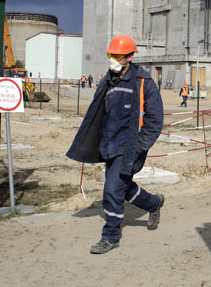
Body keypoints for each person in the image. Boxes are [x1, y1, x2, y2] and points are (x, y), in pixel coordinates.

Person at [66, 34, 165, 254]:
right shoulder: (108, 79)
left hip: (130, 147)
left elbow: (155, 118)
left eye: (118, 55)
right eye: (112, 55)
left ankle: (110, 235)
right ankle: (153, 203)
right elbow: (98, 111)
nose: (114, 59)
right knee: (122, 186)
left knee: (112, 189)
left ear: (129, 56)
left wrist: (140, 146)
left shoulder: (143, 82)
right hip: (110, 144)